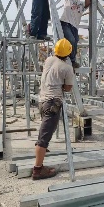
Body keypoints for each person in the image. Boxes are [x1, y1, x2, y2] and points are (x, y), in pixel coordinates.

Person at [32, 38, 75, 180]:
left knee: (45, 131)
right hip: (53, 103)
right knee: (43, 139)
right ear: (68, 53)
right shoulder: (67, 68)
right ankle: (38, 170)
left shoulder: (48, 60)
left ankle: (41, 152)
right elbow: (68, 88)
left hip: (42, 100)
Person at [60, 0, 91, 68]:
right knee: (72, 40)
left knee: (75, 41)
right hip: (65, 23)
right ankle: (72, 60)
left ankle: (68, 58)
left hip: (74, 27)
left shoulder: (81, 4)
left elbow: (88, 3)